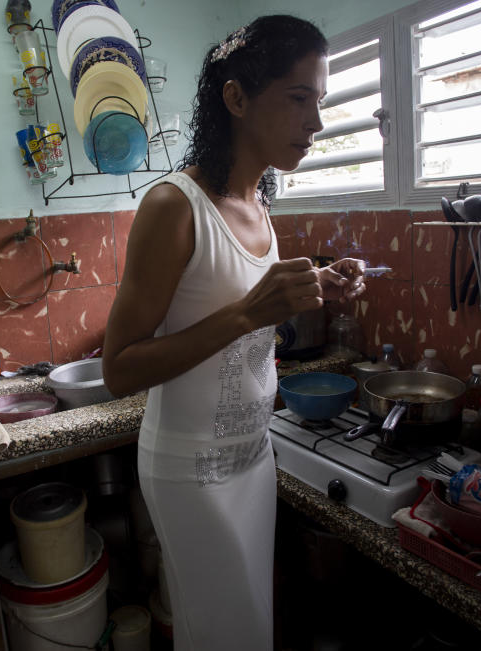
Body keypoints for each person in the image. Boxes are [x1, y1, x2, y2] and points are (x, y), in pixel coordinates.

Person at [103, 15, 366, 651]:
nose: (317, 122)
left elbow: (242, 306)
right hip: (190, 470)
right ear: (237, 98)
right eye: (299, 98)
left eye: (321, 101)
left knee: (247, 628)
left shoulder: (259, 204)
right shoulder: (173, 206)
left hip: (254, 455)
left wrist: (319, 284)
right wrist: (251, 311)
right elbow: (120, 369)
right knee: (226, 634)